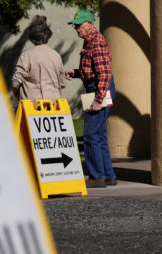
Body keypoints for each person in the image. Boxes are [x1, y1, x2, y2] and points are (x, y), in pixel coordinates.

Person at [65, 9, 117, 188]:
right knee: (100, 134)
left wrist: (98, 99)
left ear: (90, 24)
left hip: (98, 89)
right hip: (97, 88)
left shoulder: (96, 42)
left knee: (90, 135)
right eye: (75, 26)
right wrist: (77, 72)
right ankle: (108, 175)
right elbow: (93, 71)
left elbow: (104, 73)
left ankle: (96, 176)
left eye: (79, 26)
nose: (77, 29)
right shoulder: (89, 41)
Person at [11, 15, 66, 103]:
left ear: (32, 37)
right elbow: (62, 82)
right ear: (48, 36)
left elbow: (16, 82)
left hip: (31, 105)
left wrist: (17, 94)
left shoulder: (26, 55)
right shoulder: (56, 55)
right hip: (53, 105)